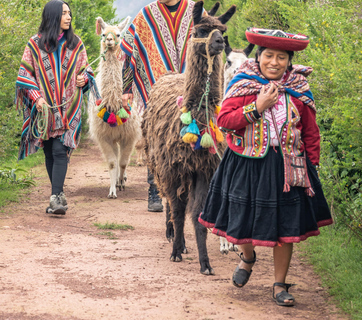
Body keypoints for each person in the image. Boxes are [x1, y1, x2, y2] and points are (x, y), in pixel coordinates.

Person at [198, 28, 333, 307]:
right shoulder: (244, 83)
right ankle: (247, 257)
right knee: (240, 217)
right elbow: (225, 120)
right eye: (269, 55)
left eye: (281, 57)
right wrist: (257, 106)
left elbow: (310, 130)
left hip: (288, 166)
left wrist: (312, 165)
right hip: (246, 163)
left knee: (285, 225)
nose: (274, 62)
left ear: (289, 61)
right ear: (259, 57)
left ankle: (280, 284)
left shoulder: (298, 89)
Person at [15, 0, 97, 215]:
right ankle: (58, 195)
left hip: (69, 106)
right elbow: (25, 75)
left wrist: (84, 79)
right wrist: (37, 98)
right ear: (52, 16)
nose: (68, 17)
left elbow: (87, 71)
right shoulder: (34, 44)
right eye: (64, 13)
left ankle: (55, 197)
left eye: (69, 13)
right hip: (44, 108)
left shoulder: (76, 44)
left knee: (61, 150)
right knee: (50, 151)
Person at [120, 0, 198, 212]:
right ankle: (154, 189)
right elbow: (129, 53)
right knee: (155, 140)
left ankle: (189, 191)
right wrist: (127, 89)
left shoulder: (194, 10)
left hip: (189, 87)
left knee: (191, 136)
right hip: (156, 91)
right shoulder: (146, 14)